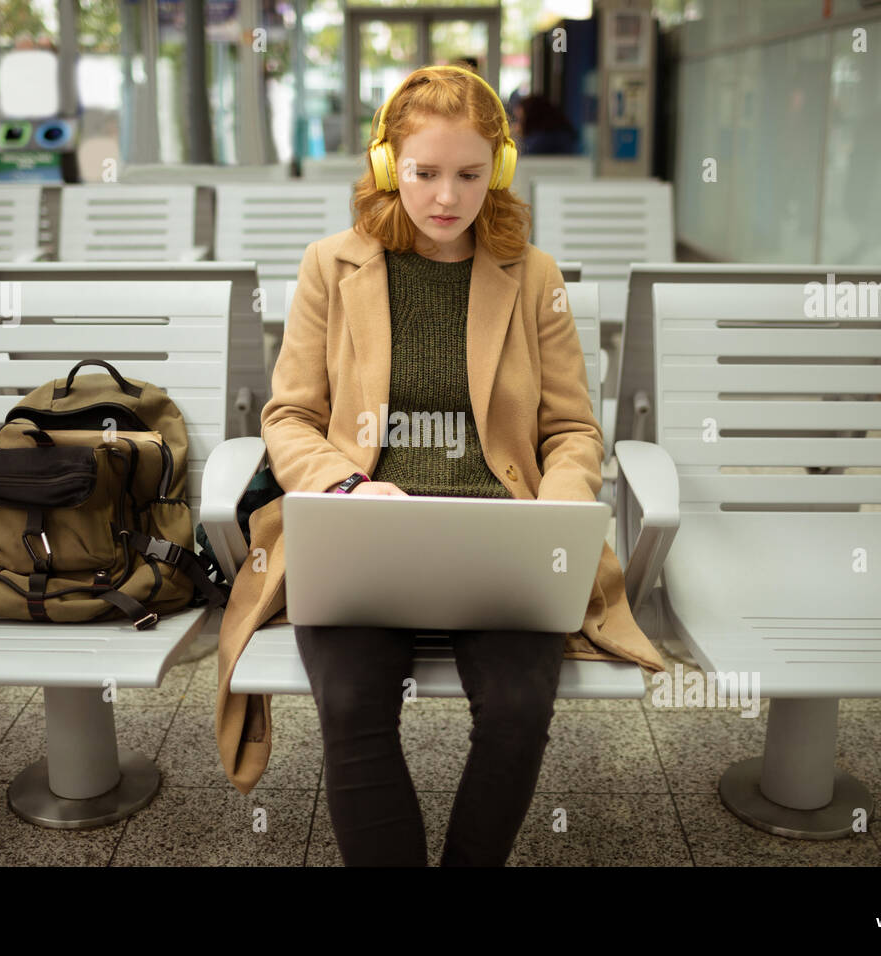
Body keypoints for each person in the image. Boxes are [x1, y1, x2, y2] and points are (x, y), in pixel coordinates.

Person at [212, 64, 665, 866]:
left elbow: (570, 430)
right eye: (424, 173)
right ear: (390, 166)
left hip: (502, 531)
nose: (447, 197)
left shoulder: (533, 276)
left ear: (501, 171)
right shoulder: (331, 265)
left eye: (468, 174)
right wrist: (346, 486)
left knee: (522, 703)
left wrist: (554, 513)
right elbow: (288, 417)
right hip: (361, 530)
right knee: (350, 699)